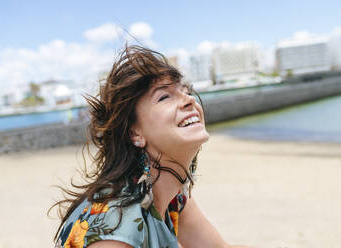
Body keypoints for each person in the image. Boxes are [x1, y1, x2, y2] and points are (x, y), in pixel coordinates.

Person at [52, 45, 252, 248]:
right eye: (164, 97)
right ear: (134, 133)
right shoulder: (116, 229)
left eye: (186, 91)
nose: (189, 100)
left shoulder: (172, 197)